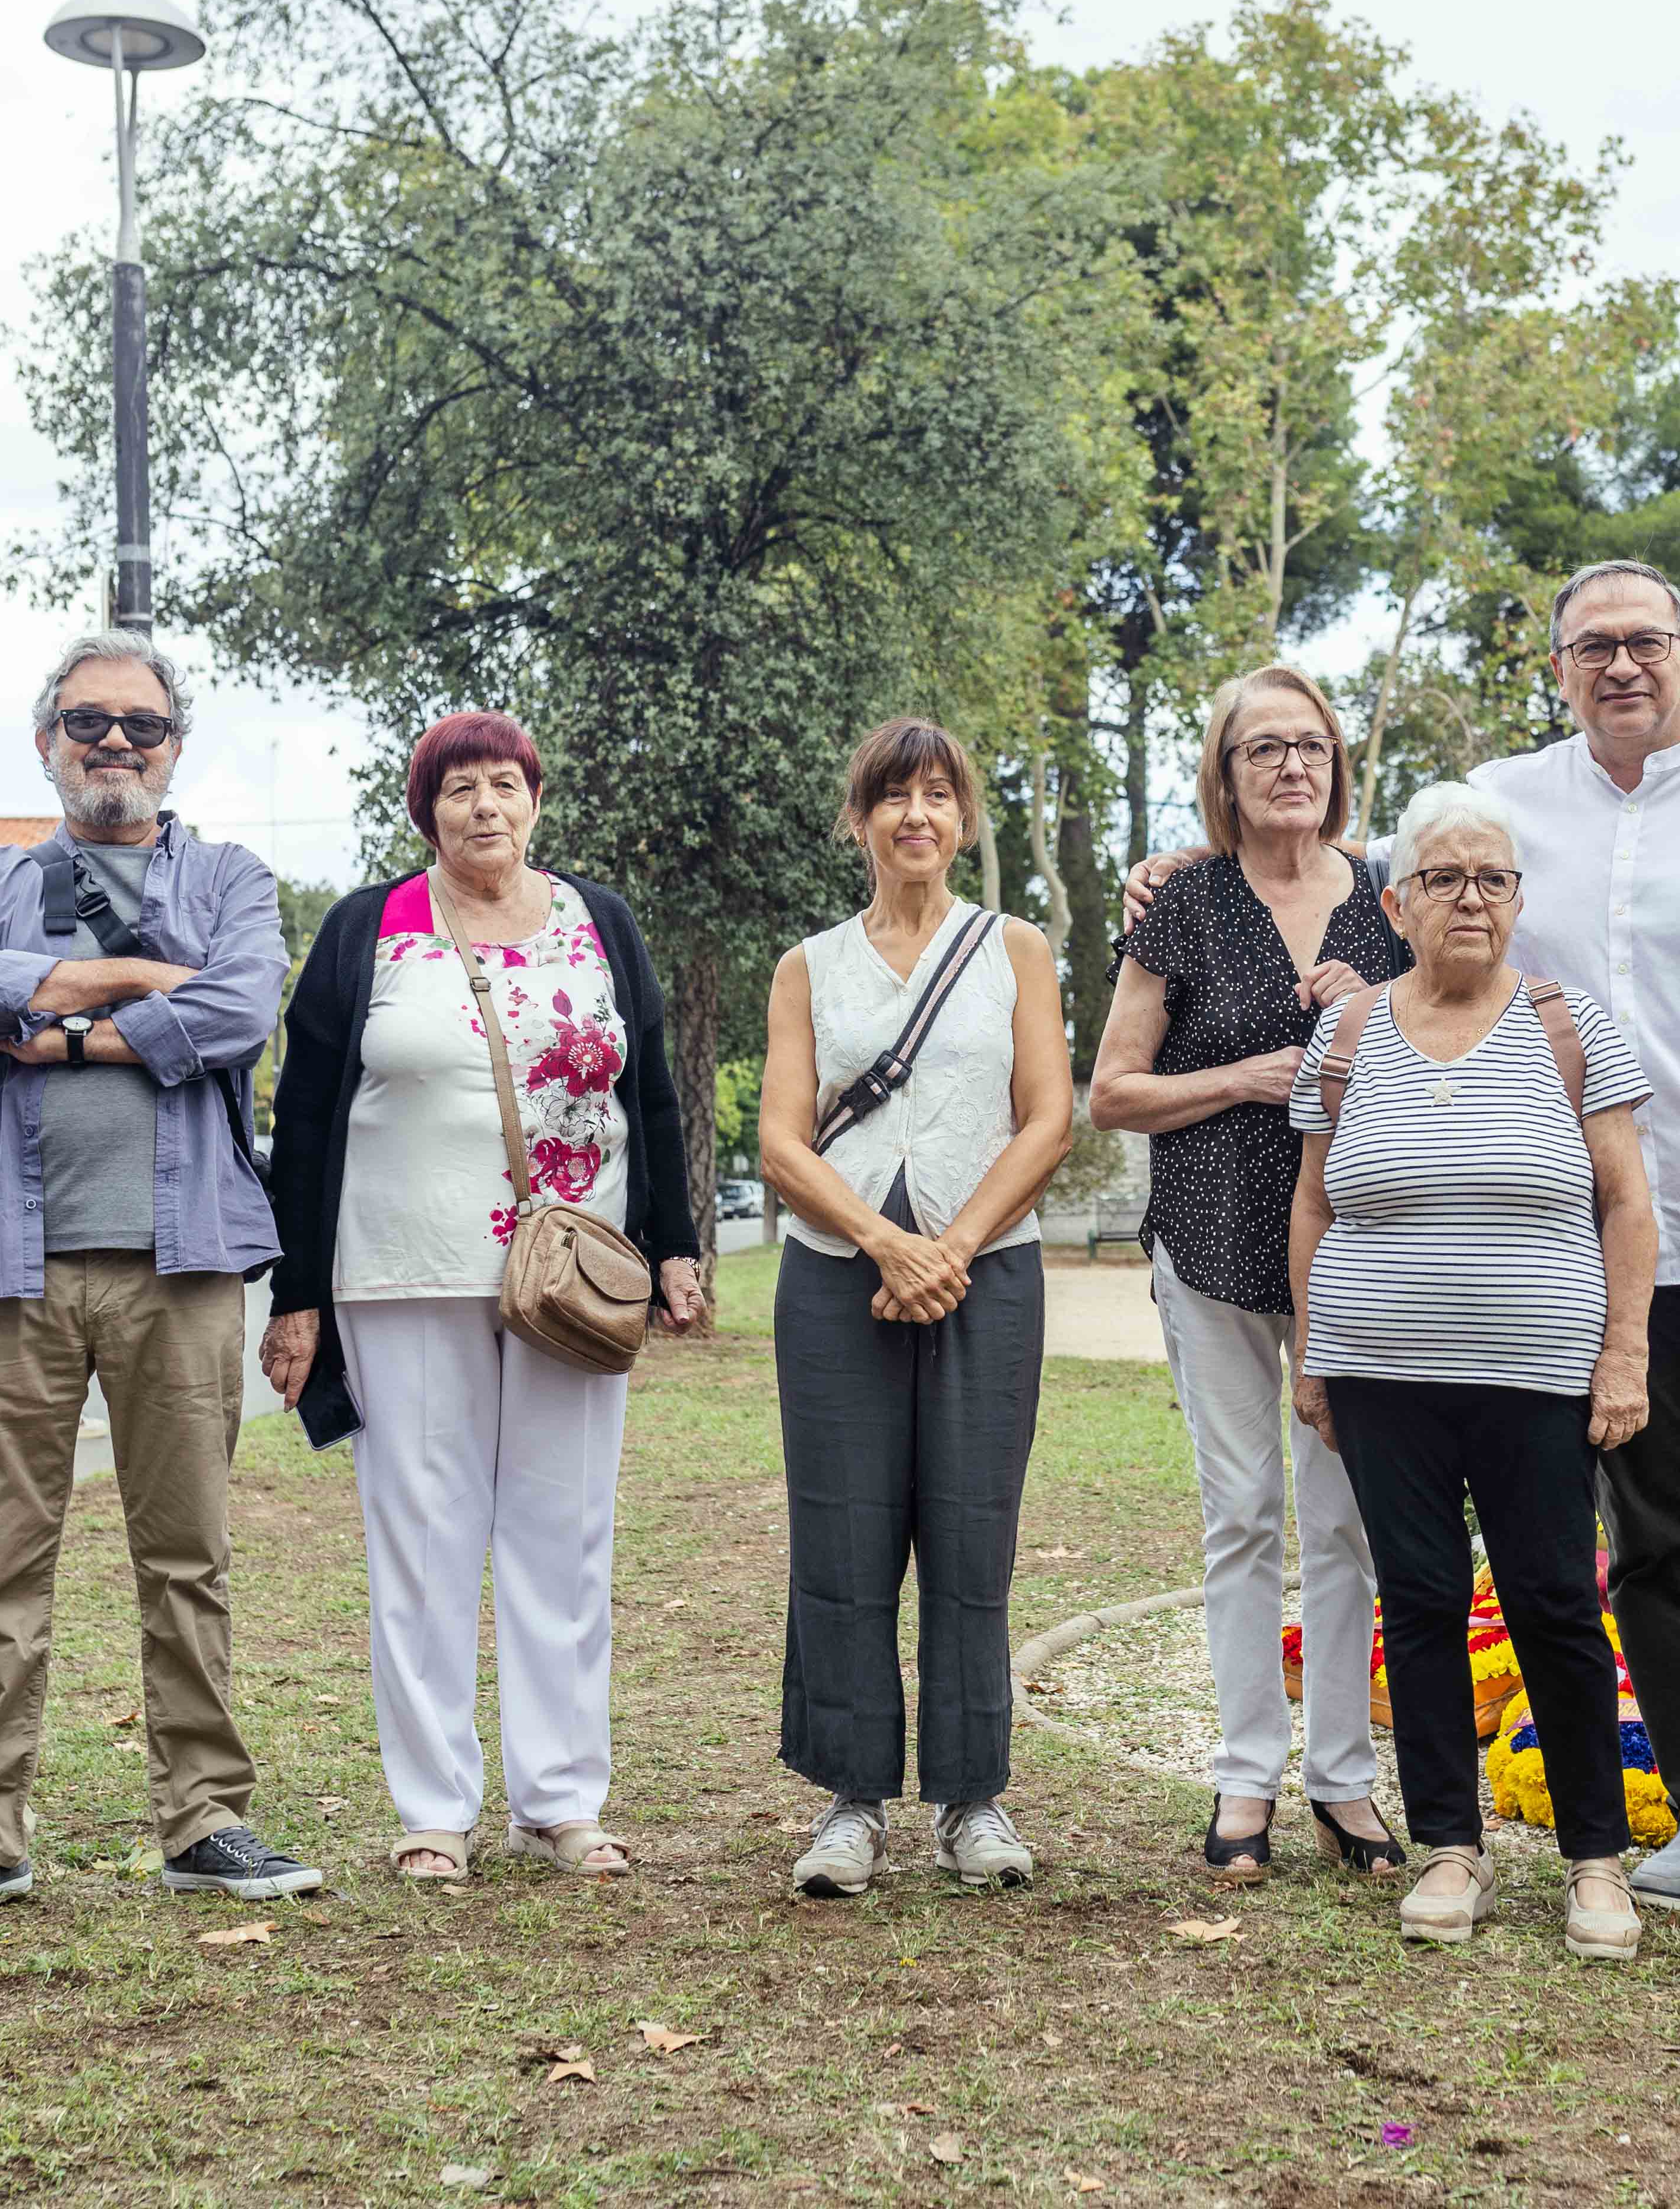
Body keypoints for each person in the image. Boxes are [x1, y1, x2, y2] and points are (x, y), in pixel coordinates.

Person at [1130, 557, 1680, 1958]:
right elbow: (1343, 866)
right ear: (1560, 667)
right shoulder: (1510, 797)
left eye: (1645, 641)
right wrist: (1181, 868)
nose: (1621, 665)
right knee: (1653, 1546)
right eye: (1592, 647)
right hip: (1582, 1263)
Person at [0, 629, 315, 1925]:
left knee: (186, 1554)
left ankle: (205, 1818)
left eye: (140, 725)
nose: (115, 745)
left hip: (181, 1269)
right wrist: (135, 980)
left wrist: (56, 1026)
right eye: (89, 724)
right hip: (6, 1269)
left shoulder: (234, 875)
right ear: (48, 741)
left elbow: (244, 1004)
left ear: (174, 746)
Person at [255, 712, 709, 1884]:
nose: (484, 806)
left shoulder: (599, 920)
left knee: (564, 1532)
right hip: (403, 1274)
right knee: (423, 1535)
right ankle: (433, 1810)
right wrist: (297, 1291)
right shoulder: (368, 928)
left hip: (576, 1275)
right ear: (428, 811)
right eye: (459, 788)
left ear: (536, 799)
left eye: (504, 783)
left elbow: (650, 1089)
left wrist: (674, 1245)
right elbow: (302, 1117)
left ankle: (560, 1800)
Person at [1288, 782, 1657, 1958]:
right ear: (1394, 903)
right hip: (1381, 1374)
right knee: (1425, 1601)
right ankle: (1452, 1848)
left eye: (1493, 876)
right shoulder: (1344, 1035)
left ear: (1518, 898)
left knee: (1556, 1604)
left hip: (1541, 1371)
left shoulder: (1569, 1024)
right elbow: (1311, 1199)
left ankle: (1597, 1862)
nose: (1471, 897)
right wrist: (1313, 1356)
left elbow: (1627, 1198)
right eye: (1444, 876)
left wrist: (1625, 1348)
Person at [1090, 665, 1405, 1876]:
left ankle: (1342, 1779)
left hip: (1359, 1256)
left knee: (1345, 1524)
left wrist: (1372, 1003)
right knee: (1243, 1516)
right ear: (1225, 772)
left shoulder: (1389, 901)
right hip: (1212, 1249)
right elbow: (1113, 1091)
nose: (1293, 765)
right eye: (1265, 747)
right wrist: (1246, 1075)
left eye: (1313, 746)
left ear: (1337, 765)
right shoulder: (1183, 903)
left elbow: (1459, 1032)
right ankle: (1241, 1780)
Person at [758, 719, 1074, 1898]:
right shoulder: (809, 964)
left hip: (985, 1267)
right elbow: (780, 1137)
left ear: (964, 819)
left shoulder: (1016, 950)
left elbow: (1047, 1116)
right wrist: (888, 1240)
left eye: (939, 796)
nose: (917, 817)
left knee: (970, 1526)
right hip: (838, 1271)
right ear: (860, 821)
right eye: (894, 798)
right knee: (841, 1534)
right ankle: (850, 1800)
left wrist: (951, 1244)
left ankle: (971, 1797)